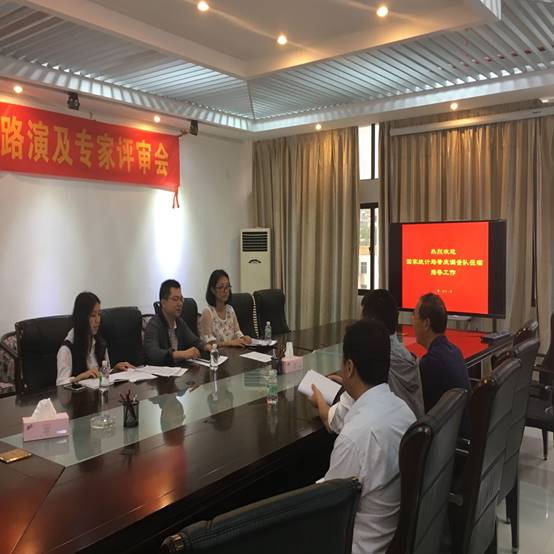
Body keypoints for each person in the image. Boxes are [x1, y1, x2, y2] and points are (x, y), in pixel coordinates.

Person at [315, 319, 416, 554]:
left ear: (349, 367)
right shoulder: (404, 412)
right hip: (389, 536)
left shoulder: (354, 438)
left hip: (356, 544)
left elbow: (326, 510)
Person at [312, 289, 424, 434]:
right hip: (409, 436)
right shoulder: (407, 356)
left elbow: (333, 421)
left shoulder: (373, 358)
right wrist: (346, 381)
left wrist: (318, 398)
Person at [413, 292, 471, 435]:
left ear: (426, 323)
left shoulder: (431, 363)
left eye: (414, 316)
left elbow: (417, 408)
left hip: (450, 440)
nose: (412, 320)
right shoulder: (454, 351)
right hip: (462, 432)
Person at [56, 292, 134, 385]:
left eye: (99, 314)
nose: (98, 320)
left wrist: (115, 370)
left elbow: (103, 374)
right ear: (82, 318)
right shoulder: (67, 348)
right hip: (80, 394)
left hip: (100, 392)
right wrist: (79, 378)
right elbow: (60, 384)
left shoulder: (100, 342)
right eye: (93, 315)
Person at [144, 279, 207, 366]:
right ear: (163, 303)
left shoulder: (179, 321)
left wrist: (206, 347)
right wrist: (181, 354)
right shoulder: (154, 324)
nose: (180, 303)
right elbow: (153, 353)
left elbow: (195, 341)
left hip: (179, 370)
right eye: (175, 299)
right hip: (161, 372)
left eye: (181, 299)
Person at [199, 269, 252, 347]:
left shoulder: (230, 310)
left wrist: (244, 338)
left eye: (227, 286)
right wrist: (230, 343)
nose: (226, 290)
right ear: (213, 290)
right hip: (216, 354)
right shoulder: (207, 312)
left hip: (233, 353)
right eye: (221, 287)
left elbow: (237, 333)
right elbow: (209, 344)